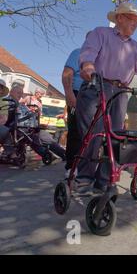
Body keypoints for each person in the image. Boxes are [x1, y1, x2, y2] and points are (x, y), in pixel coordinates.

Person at [75, 2, 137, 194]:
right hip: (97, 84)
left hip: (120, 91)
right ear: (119, 18)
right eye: (131, 19)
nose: (135, 24)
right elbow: (88, 54)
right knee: (93, 133)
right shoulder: (100, 33)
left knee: (116, 137)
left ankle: (104, 179)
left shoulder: (135, 46)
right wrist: (88, 67)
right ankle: (84, 177)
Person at [6, 82, 66, 161]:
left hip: (30, 126)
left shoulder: (23, 105)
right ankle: (47, 155)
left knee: (47, 138)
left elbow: (31, 116)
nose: (20, 95)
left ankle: (64, 154)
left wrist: (38, 124)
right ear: (11, 92)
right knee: (34, 139)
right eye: (18, 92)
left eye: (21, 93)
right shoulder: (8, 102)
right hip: (20, 128)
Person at [62, 48, 83, 178]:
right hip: (78, 93)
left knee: (93, 133)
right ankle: (71, 166)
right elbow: (67, 74)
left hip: (95, 95)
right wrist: (69, 94)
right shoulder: (78, 53)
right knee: (75, 130)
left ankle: (86, 166)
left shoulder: (101, 56)